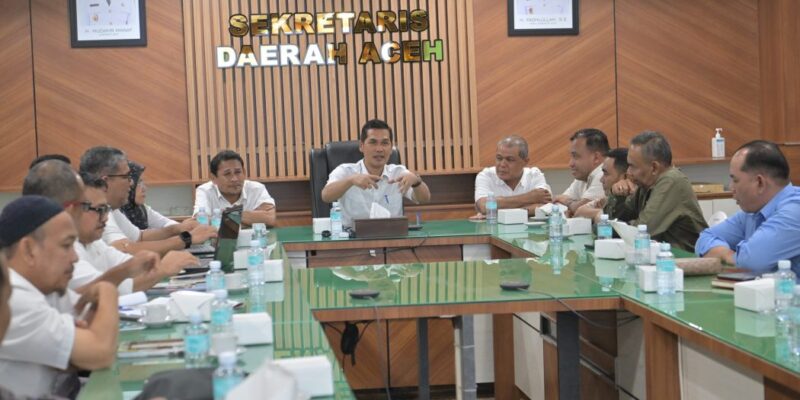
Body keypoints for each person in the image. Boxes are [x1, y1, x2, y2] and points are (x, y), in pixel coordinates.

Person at [0, 196, 119, 398]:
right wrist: (108, 290)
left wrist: (85, 344)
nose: (75, 257)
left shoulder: (46, 285)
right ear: (29, 249)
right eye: (66, 245)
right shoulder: (13, 297)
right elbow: (100, 351)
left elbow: (94, 332)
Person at [21, 159, 195, 295]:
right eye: (98, 210)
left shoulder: (91, 240)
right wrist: (162, 268)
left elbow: (126, 265)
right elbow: (98, 292)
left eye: (106, 209)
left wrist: (147, 263)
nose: (105, 217)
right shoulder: (56, 250)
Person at [79, 146, 216, 255]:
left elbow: (140, 237)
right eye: (126, 176)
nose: (131, 183)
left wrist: (177, 229)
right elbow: (124, 249)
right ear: (106, 181)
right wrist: (185, 239)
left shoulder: (111, 209)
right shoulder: (95, 210)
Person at [696, 140, 800, 275]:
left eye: (735, 180)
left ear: (760, 182)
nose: (731, 187)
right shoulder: (752, 213)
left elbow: (751, 262)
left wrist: (727, 255)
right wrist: (728, 255)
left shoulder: (795, 210)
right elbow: (704, 238)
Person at [321, 119, 431, 227]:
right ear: (361, 146)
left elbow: (424, 198)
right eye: (373, 143)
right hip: (353, 240)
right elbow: (326, 196)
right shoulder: (346, 171)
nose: (379, 149)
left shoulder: (398, 172)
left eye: (385, 143)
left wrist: (416, 182)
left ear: (391, 147)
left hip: (391, 239)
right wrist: (351, 180)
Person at [612, 131, 707, 252]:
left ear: (654, 167)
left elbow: (641, 232)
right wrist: (618, 195)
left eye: (633, 166)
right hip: (661, 257)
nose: (628, 173)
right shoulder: (645, 183)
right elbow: (615, 220)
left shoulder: (671, 181)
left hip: (686, 260)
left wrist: (617, 224)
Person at [194, 150, 277, 227]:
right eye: (227, 174)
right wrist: (249, 218)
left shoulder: (256, 189)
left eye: (238, 172)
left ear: (244, 172)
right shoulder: (205, 191)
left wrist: (227, 214)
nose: (234, 179)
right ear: (213, 178)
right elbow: (200, 221)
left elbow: (269, 218)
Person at [474, 135, 552, 216]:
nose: (502, 164)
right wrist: (529, 197)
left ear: (525, 162)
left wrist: (497, 210)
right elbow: (483, 206)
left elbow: (545, 207)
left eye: (510, 159)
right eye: (499, 158)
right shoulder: (486, 176)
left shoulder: (534, 175)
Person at [553, 128, 609, 215]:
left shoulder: (603, 175)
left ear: (596, 158)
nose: (570, 164)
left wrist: (568, 203)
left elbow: (580, 209)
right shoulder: (583, 176)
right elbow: (557, 203)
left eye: (575, 156)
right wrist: (571, 206)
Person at [574, 148, 635, 222]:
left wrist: (601, 213)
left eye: (606, 173)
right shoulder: (610, 196)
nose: (601, 180)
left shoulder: (633, 199)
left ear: (625, 176)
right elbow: (579, 212)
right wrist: (601, 212)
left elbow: (607, 224)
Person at [120, 161, 183, 230]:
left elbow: (166, 223)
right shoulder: (116, 212)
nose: (144, 188)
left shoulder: (141, 208)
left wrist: (184, 228)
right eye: (138, 182)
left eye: (142, 182)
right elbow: (135, 238)